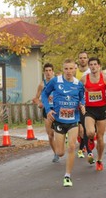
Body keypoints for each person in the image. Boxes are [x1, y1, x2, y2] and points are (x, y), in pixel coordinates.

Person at [42, 58, 85, 187]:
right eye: (66, 68)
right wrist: (48, 109)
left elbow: (82, 98)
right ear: (63, 69)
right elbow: (44, 94)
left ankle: (67, 176)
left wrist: (82, 105)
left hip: (73, 120)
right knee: (60, 153)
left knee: (72, 146)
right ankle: (62, 143)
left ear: (75, 69)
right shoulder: (56, 81)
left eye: (71, 68)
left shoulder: (79, 84)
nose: (68, 71)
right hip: (59, 121)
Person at [81, 57, 106, 171]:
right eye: (91, 64)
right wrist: (81, 104)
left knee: (100, 138)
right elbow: (78, 93)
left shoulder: (105, 78)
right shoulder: (84, 79)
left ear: (99, 66)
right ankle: (91, 140)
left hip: (101, 110)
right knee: (90, 132)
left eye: (95, 64)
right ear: (89, 66)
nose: (93, 66)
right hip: (89, 110)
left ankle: (99, 160)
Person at [33, 63, 58, 162]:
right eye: (46, 71)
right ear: (44, 72)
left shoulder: (57, 82)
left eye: (50, 70)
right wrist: (39, 103)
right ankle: (56, 153)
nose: (48, 73)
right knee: (50, 134)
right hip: (47, 110)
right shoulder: (42, 84)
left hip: (57, 109)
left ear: (53, 72)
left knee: (61, 131)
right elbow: (35, 98)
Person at [75, 51, 92, 161]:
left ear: (87, 59)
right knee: (82, 129)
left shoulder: (92, 71)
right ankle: (87, 150)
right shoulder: (74, 72)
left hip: (91, 103)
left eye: (85, 58)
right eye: (81, 58)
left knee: (88, 129)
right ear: (78, 60)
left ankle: (83, 148)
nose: (82, 60)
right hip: (79, 104)